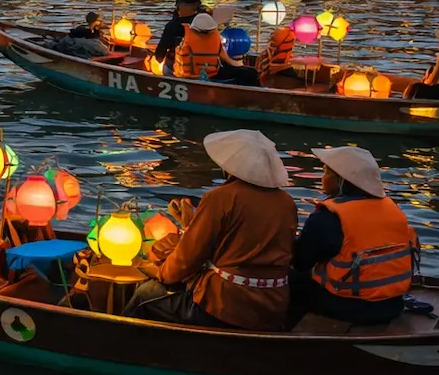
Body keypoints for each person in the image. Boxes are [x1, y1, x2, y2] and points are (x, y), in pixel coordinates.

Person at [123, 130, 297, 331]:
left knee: (145, 294)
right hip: (273, 305)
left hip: (225, 305)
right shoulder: (287, 202)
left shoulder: (220, 198)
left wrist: (161, 273)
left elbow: (186, 259)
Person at [292, 146, 417, 326]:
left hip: (351, 306)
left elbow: (301, 262)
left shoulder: (329, 216)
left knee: (288, 280)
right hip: (394, 304)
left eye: (326, 172)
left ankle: (283, 337)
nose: (323, 178)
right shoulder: (391, 207)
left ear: (341, 180)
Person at [151, 0, 201, 66]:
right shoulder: (206, 23)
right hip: (206, 66)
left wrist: (158, 57)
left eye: (178, 6)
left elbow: (162, 49)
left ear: (183, 7)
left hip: (178, 66)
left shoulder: (173, 25)